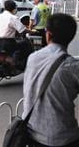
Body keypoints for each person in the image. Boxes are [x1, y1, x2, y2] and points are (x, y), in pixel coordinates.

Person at [23, 13, 79, 147]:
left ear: (48, 34)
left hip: (30, 133)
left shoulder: (33, 58)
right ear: (71, 37)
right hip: (61, 138)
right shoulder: (72, 66)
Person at [0, 0, 32, 69]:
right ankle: (20, 64)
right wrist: (32, 31)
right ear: (14, 8)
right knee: (26, 43)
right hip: (7, 43)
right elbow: (22, 30)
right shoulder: (13, 18)